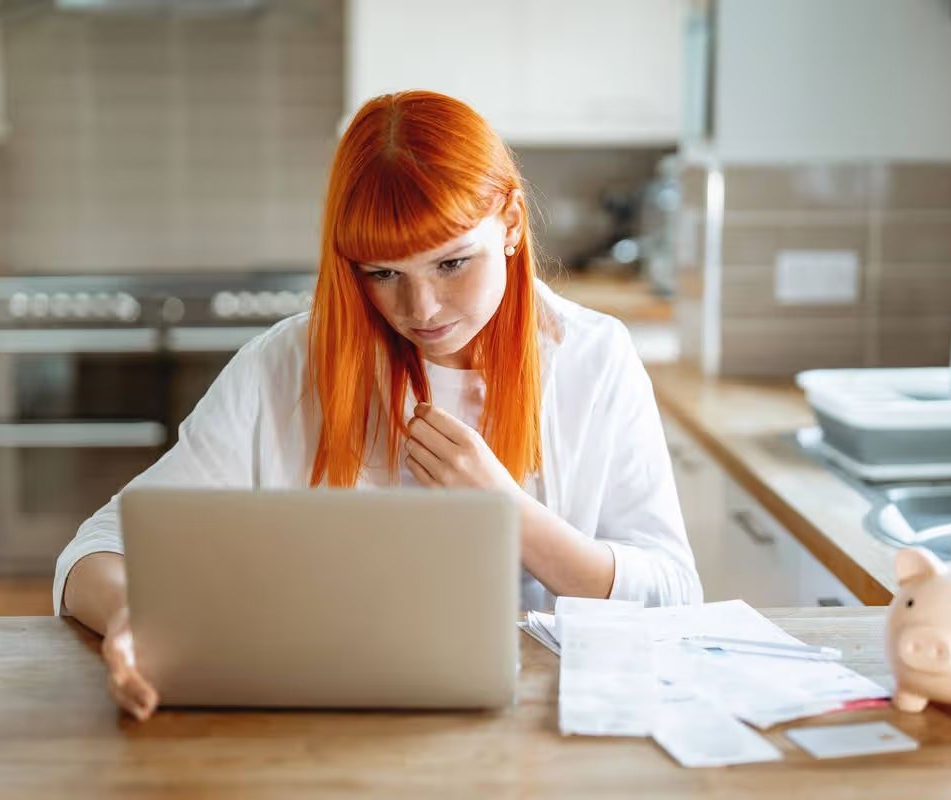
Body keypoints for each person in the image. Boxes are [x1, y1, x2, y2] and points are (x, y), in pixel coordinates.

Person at [54, 90, 702, 720]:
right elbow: (94, 553)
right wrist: (128, 618)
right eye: (383, 274)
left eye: (451, 264)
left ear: (508, 222)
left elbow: (672, 593)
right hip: (314, 724)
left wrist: (508, 510)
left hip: (532, 732)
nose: (420, 310)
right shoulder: (280, 368)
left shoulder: (593, 358)